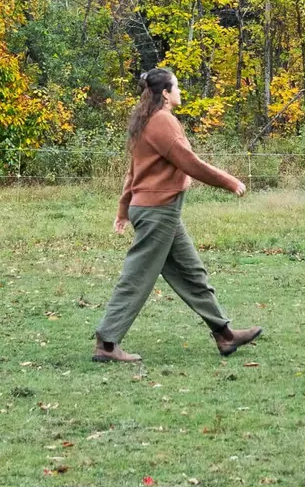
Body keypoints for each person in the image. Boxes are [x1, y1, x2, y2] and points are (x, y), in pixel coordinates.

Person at [93, 67, 263, 363]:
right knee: (137, 276)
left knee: (192, 273)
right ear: (166, 94)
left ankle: (224, 335)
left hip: (160, 211)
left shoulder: (145, 120)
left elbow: (132, 173)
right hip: (158, 212)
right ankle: (107, 344)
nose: (181, 91)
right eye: (177, 87)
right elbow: (189, 162)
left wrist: (123, 209)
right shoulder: (162, 121)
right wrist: (230, 181)